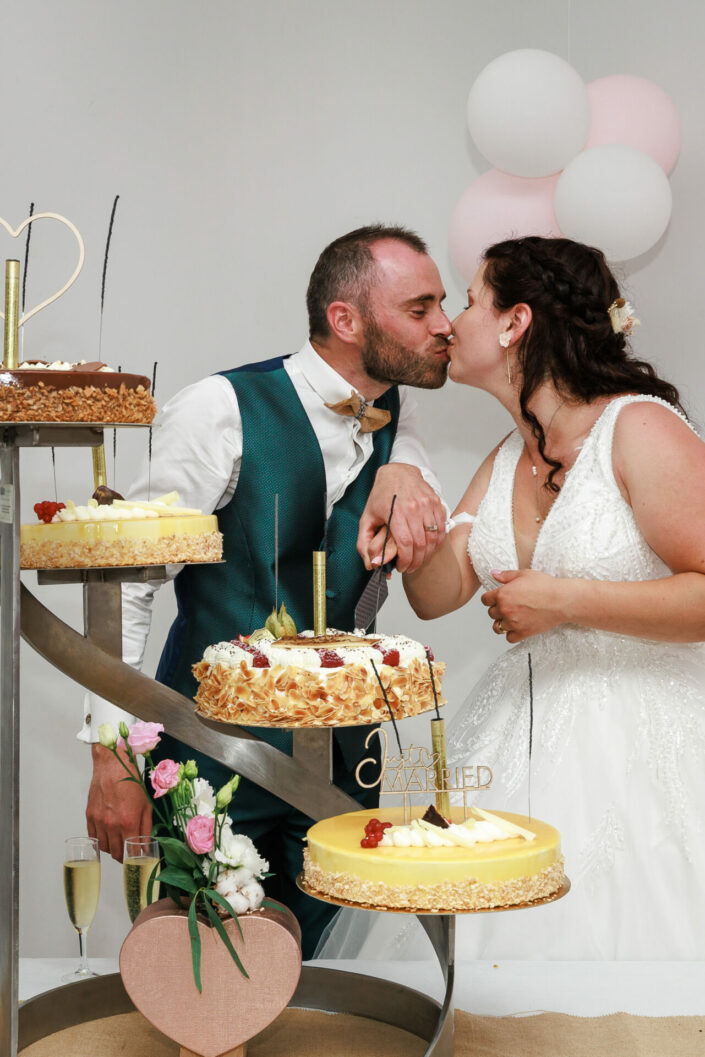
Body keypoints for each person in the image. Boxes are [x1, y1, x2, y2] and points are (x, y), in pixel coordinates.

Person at [82, 223, 453, 958]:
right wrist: (112, 756)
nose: (444, 325)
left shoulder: (399, 414)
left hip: (351, 754)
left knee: (313, 967)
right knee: (204, 970)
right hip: (209, 751)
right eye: (420, 308)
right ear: (345, 320)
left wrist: (407, 468)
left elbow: (407, 466)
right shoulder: (218, 408)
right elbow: (128, 583)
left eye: (441, 304)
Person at [371, 236, 705, 960]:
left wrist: (565, 601)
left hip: (643, 750)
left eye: (465, 300)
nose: (449, 324)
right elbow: (439, 594)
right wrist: (413, 527)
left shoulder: (638, 427)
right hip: (520, 739)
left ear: (513, 322)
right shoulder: (506, 455)